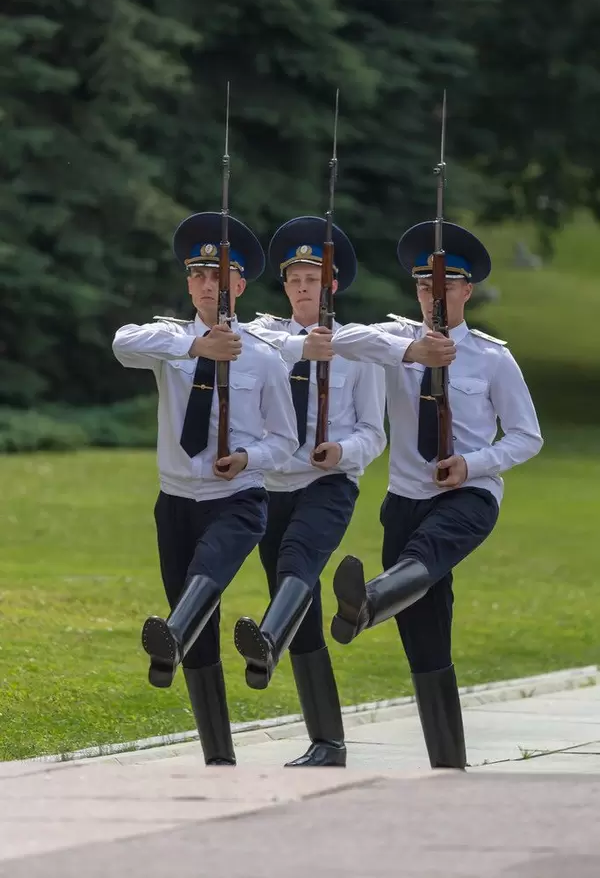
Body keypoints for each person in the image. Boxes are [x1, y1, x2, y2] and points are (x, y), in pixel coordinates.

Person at [323, 219, 543, 770]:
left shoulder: (494, 358)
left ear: (466, 291)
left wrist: (474, 463)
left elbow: (527, 436)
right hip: (405, 500)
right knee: (424, 632)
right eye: (425, 286)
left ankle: (369, 600)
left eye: (445, 286)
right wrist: (413, 355)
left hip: (469, 497)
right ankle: (449, 763)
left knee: (426, 557)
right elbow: (337, 339)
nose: (434, 296)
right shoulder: (395, 340)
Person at [112, 211, 298, 766]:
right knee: (196, 628)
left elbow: (284, 440)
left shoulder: (263, 356)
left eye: (220, 277)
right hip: (175, 501)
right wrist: (196, 351)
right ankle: (219, 755)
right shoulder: (169, 342)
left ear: (240, 286)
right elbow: (123, 344)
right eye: (199, 276)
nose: (208, 285)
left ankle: (171, 632)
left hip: (236, 498)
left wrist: (246, 457)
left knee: (208, 573)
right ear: (189, 284)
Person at [233, 216, 387, 767]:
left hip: (328, 484)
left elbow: (374, 433)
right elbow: (257, 343)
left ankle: (265, 643)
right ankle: (328, 742)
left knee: (298, 564)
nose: (303, 286)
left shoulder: (360, 350)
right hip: (273, 485)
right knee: (299, 603)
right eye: (295, 278)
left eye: (313, 277)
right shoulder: (267, 341)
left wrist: (340, 453)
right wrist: (304, 351)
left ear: (333, 285)